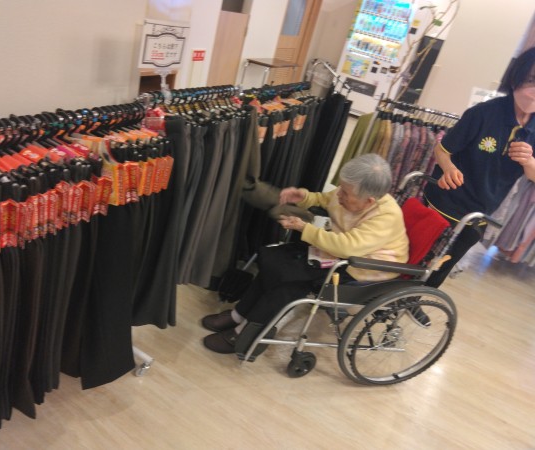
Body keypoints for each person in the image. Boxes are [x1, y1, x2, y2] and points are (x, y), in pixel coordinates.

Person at [201, 154, 409, 354]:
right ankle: (239, 315)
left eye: (345, 193)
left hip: (364, 270)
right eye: (340, 188)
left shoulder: (385, 217)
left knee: (289, 281)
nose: (339, 194)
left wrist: (304, 228)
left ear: (369, 201)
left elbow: (347, 247)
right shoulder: (352, 193)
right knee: (275, 260)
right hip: (339, 254)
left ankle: (247, 334)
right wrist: (305, 197)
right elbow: (327, 199)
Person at [423, 47, 535, 288]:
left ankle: (417, 298)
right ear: (516, 78)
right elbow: (442, 150)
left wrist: (529, 162)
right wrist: (449, 168)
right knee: (419, 255)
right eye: (531, 80)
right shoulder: (483, 113)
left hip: (480, 213)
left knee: (444, 264)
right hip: (444, 201)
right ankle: (393, 292)